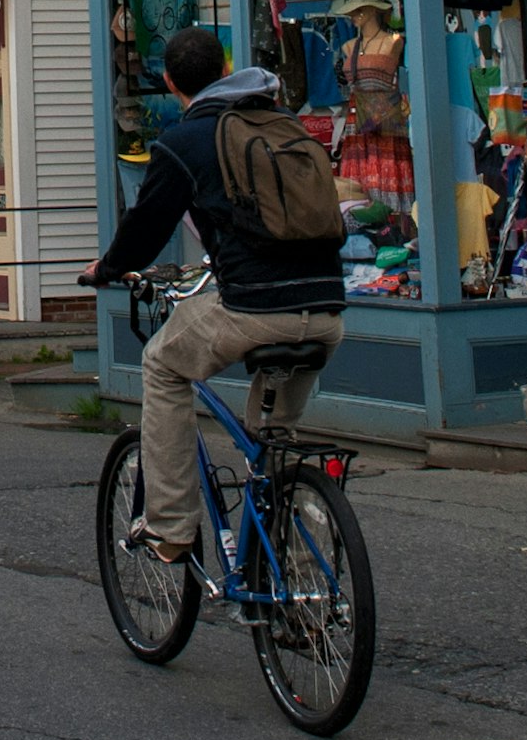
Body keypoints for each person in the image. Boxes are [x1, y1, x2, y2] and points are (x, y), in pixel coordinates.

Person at [78, 28, 348, 562]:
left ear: (171, 80)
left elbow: (146, 227)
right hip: (326, 309)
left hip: (254, 308)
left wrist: (108, 268)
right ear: (225, 69)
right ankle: (295, 574)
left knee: (162, 364)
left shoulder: (186, 139)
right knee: (274, 438)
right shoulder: (282, 122)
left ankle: (171, 528)